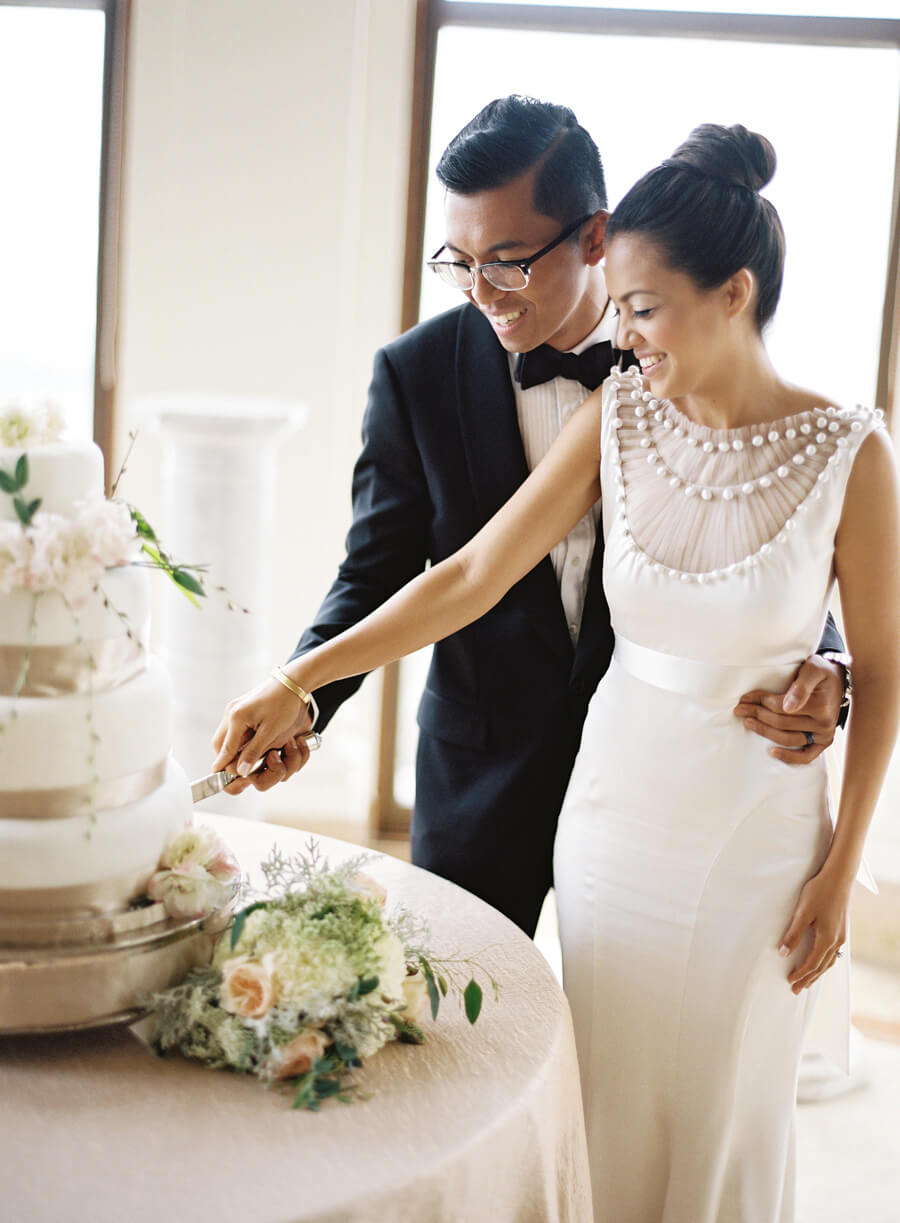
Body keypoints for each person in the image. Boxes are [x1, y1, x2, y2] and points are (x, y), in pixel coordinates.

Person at [218, 97, 848, 941]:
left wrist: (831, 666)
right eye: (460, 262)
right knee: (457, 1034)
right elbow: (379, 570)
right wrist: (305, 691)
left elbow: (770, 526)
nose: (484, 293)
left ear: (596, 237)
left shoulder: (684, 352)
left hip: (661, 785)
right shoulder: (415, 375)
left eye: (509, 262)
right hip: (480, 778)